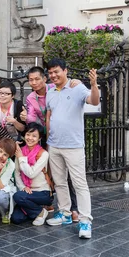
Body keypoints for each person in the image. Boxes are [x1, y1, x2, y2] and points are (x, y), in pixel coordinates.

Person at [44, 58, 99, 239]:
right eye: (50, 73)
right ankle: (65, 213)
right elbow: (50, 116)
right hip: (54, 144)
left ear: (65, 71)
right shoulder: (50, 92)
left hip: (73, 145)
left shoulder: (77, 88)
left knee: (79, 183)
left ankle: (85, 221)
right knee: (59, 182)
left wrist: (93, 84)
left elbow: (93, 100)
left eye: (56, 71)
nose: (53, 75)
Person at [21, 66, 81, 221]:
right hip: (42, 136)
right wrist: (26, 118)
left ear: (44, 79)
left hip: (62, 135)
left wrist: (76, 81)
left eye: (36, 79)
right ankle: (49, 202)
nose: (33, 83)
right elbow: (32, 120)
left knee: (67, 174)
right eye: (30, 80)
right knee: (51, 172)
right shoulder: (31, 98)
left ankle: (74, 209)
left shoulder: (55, 89)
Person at [11, 122, 54, 226]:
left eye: (34, 136)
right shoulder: (20, 151)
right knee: (16, 218)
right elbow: (17, 173)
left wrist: (21, 158)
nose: (30, 138)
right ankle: (39, 211)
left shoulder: (43, 154)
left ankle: (39, 210)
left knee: (18, 197)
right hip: (26, 192)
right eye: (28, 134)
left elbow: (31, 174)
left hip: (42, 192)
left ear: (39, 139)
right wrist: (22, 187)